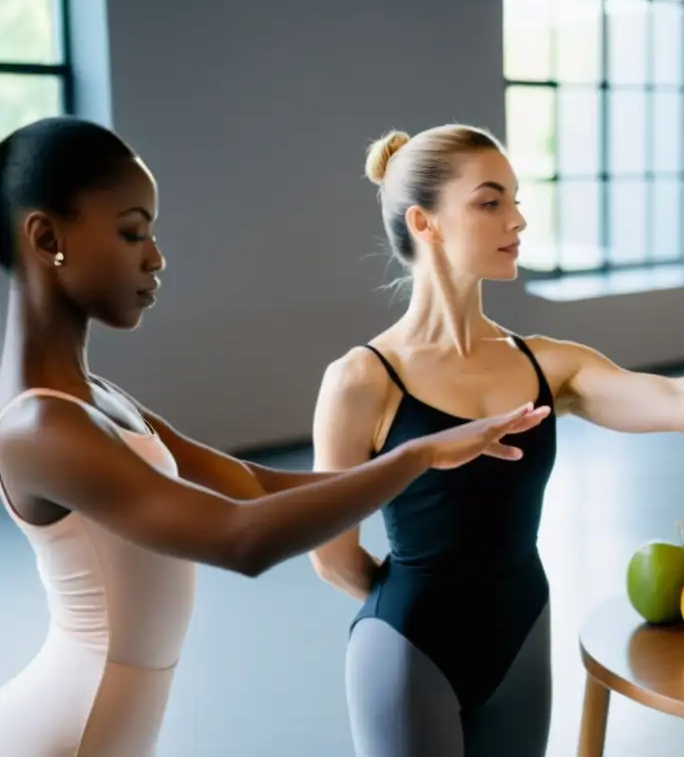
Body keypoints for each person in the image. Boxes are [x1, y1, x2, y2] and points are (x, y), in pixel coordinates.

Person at [309, 124, 684, 757]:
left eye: (515, 199)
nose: (518, 219)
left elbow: (677, 403)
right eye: (491, 202)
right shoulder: (361, 381)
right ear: (425, 224)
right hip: (408, 650)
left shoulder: (548, 364)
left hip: (521, 637)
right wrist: (415, 607)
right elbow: (332, 556)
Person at [0, 116, 553, 757]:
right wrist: (420, 455)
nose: (155, 257)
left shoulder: (97, 398)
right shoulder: (41, 427)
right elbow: (243, 539)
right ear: (46, 239)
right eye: (132, 232)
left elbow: (253, 483)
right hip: (60, 735)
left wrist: (420, 482)